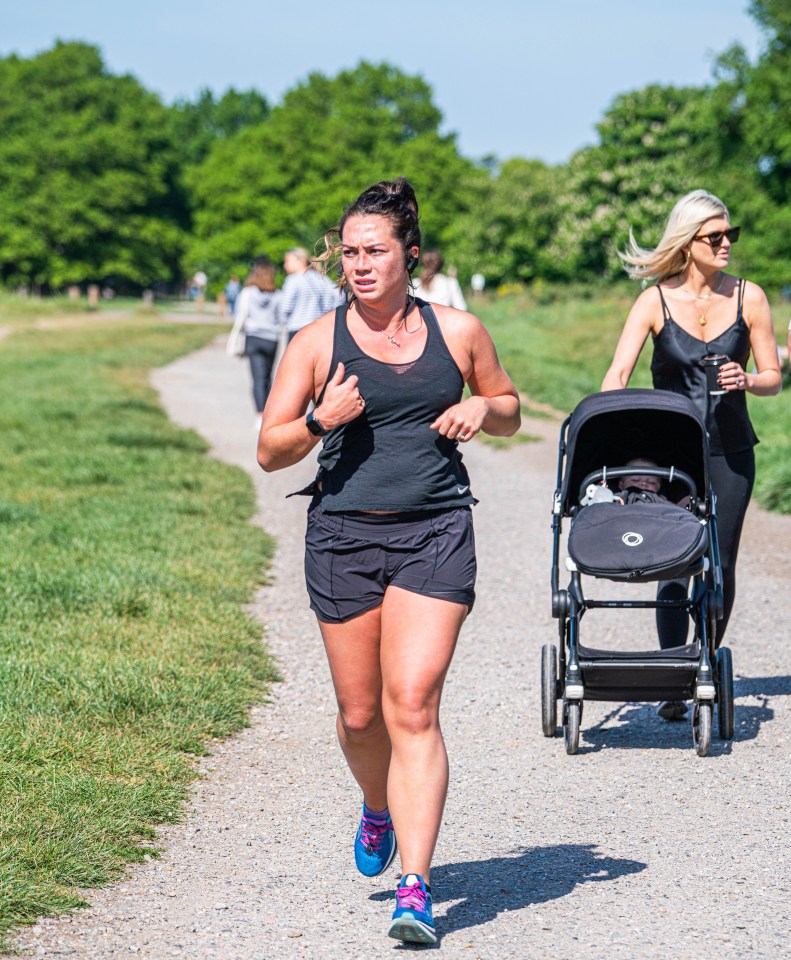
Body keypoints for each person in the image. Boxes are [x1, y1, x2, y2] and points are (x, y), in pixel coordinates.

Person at [257, 178, 520, 944]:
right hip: (342, 536)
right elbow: (271, 450)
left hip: (435, 532)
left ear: (410, 253)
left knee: (412, 704)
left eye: (375, 251)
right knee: (360, 713)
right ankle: (377, 806)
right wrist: (318, 419)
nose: (360, 265)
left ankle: (416, 884)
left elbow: (507, 407)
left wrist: (481, 407)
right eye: (349, 253)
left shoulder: (460, 332)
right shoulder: (316, 342)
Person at [601, 188, 781, 721]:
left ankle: (701, 664)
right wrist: (603, 425)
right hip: (667, 458)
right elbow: (618, 374)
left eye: (731, 234)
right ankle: (671, 675)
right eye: (715, 236)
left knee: (719, 566)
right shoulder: (653, 301)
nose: (727, 244)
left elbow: (772, 376)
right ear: (688, 242)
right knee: (673, 566)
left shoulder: (751, 297)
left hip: (730, 452)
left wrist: (748, 377)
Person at [236, 258, 282, 426]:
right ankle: (269, 412)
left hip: (253, 337)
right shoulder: (277, 294)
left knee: (257, 377)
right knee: (268, 376)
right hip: (271, 338)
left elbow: (240, 313)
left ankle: (259, 414)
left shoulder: (247, 293)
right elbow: (281, 316)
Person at [280, 246, 343, 341]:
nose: (285, 265)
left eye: (288, 261)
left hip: (297, 330)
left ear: (300, 261)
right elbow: (339, 297)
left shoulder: (292, 279)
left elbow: (285, 308)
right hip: (319, 329)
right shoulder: (321, 278)